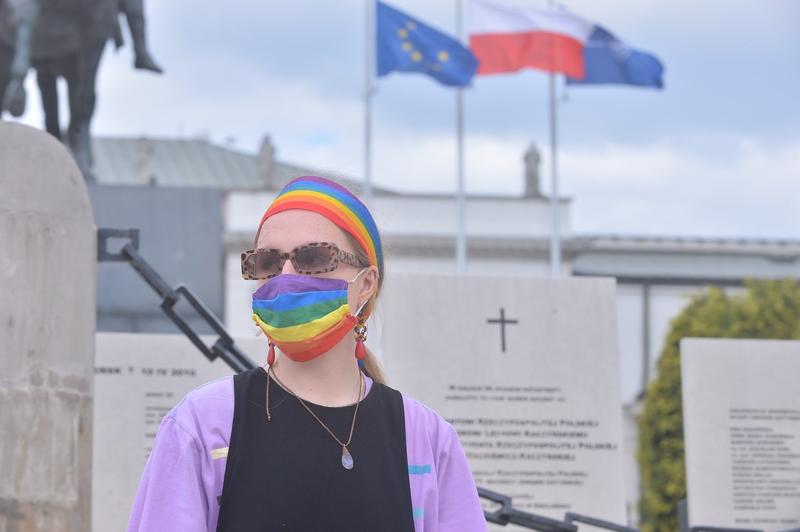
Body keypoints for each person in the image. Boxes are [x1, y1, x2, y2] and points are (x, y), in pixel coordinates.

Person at [127, 175, 487, 531]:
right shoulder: (202, 427)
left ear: (365, 284)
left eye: (313, 257)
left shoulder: (425, 440)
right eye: (267, 262)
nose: (285, 275)